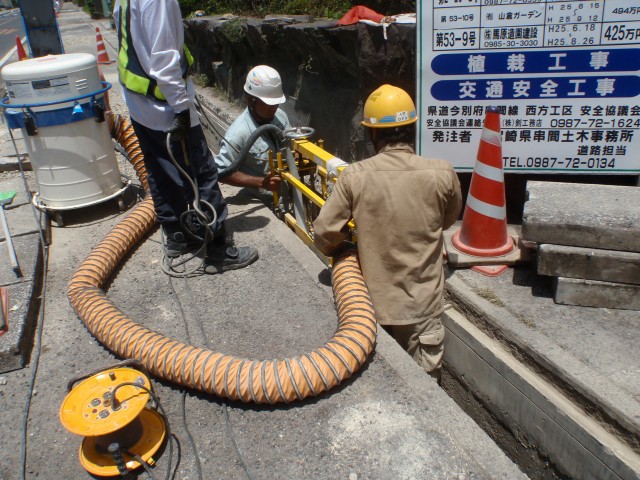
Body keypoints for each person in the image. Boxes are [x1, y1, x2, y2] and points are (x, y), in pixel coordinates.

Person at [313, 84, 462, 381]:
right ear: (411, 128)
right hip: (423, 311)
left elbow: (324, 232)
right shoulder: (442, 173)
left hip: (370, 309)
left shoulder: (354, 176)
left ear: (372, 134)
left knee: (382, 388)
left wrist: (347, 249)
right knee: (426, 394)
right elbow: (447, 221)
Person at [113, 0, 258, 274]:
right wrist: (181, 109)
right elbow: (164, 59)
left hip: (141, 105)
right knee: (200, 173)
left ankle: (177, 236)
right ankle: (218, 250)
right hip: (165, 106)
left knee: (159, 171)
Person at [214, 65, 291, 195]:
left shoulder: (281, 116)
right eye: (268, 103)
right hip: (265, 201)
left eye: (276, 103)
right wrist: (262, 183)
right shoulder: (238, 133)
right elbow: (220, 171)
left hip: (289, 193)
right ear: (251, 100)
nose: (274, 107)